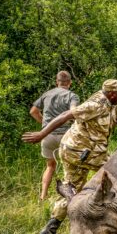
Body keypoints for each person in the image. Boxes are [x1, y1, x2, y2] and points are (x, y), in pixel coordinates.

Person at [22, 79, 117, 234]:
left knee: (71, 189)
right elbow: (65, 115)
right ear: (112, 93)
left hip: (83, 150)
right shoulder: (95, 104)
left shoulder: (111, 104)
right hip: (80, 151)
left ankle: (50, 229)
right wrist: (42, 134)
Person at [29, 71, 80, 201]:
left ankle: (43, 196)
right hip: (66, 136)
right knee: (69, 166)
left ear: (57, 82)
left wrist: (46, 126)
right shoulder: (72, 96)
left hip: (48, 136)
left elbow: (33, 111)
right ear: (70, 82)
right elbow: (73, 112)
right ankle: (69, 197)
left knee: (50, 166)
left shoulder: (47, 94)